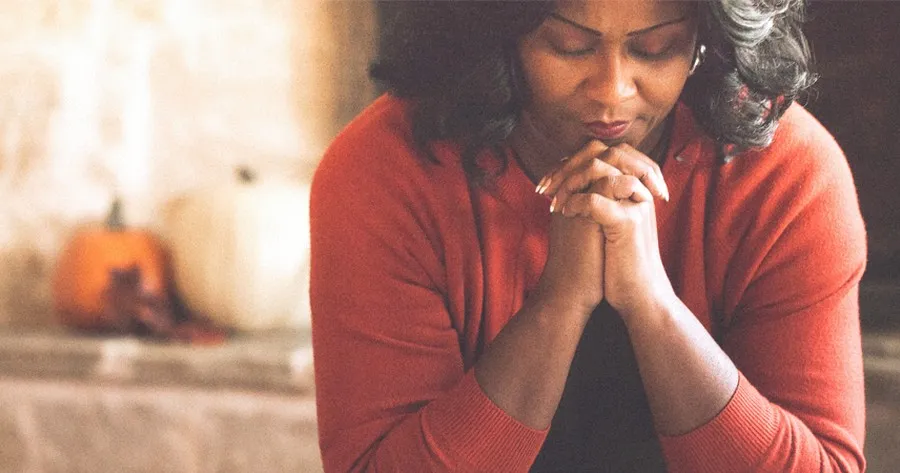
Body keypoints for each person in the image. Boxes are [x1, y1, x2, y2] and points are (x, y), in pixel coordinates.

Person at [309, 1, 867, 471]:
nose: (612, 92)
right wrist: (559, 303)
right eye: (569, 46)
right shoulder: (388, 170)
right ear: (502, 35)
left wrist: (653, 306)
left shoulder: (786, 174)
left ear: (704, 41)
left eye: (657, 48)